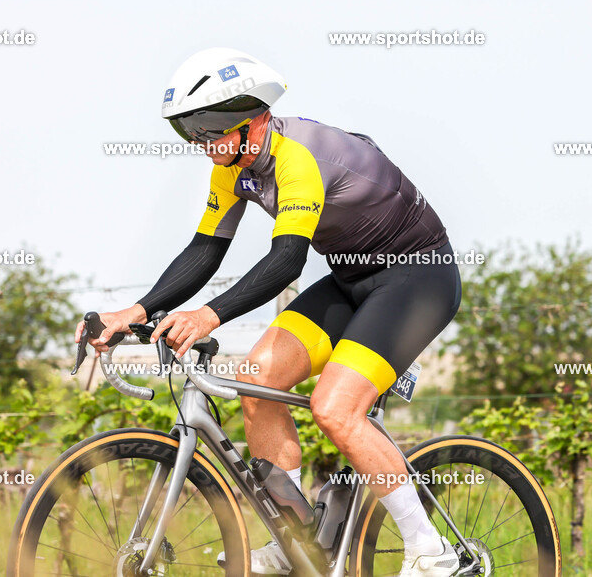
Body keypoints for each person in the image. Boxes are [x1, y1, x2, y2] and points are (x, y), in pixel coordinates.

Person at [77, 47, 462, 576]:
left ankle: (430, 550)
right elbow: (205, 250)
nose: (202, 144)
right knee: (256, 380)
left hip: (418, 279)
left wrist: (208, 316)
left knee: (334, 408)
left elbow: (285, 261)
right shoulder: (231, 164)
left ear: (252, 119)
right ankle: (301, 541)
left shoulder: (297, 157)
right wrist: (137, 310)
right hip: (351, 280)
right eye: (192, 132)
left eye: (210, 130)